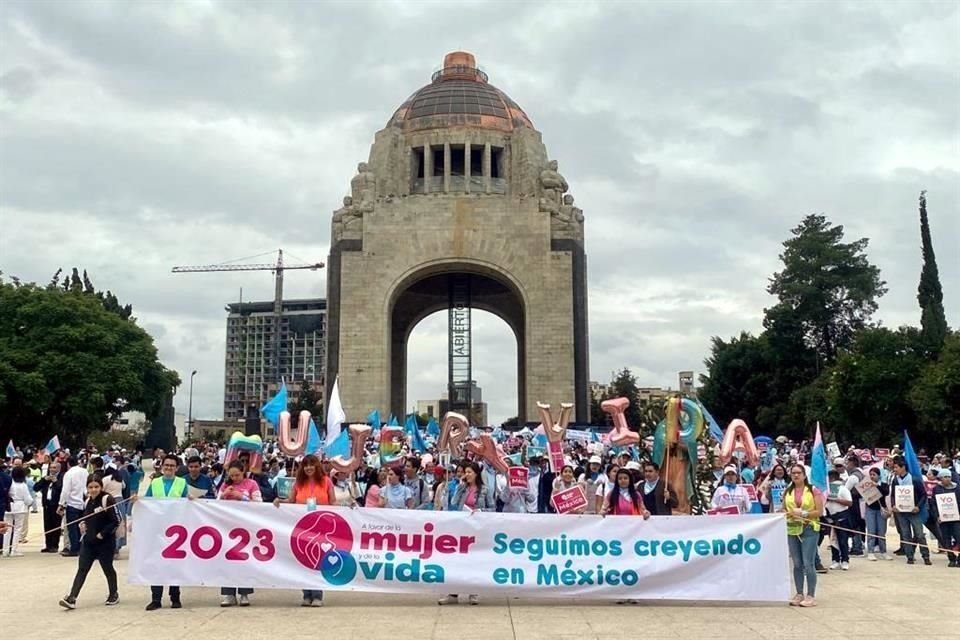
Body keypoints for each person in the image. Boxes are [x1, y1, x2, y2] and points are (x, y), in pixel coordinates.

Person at [58, 475, 121, 609]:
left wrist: (102, 534)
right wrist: (83, 523)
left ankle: (113, 593)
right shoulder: (87, 501)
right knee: (82, 569)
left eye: (96, 487)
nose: (93, 490)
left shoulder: (107, 499)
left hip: (105, 542)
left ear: (101, 487)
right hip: (88, 542)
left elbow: (116, 520)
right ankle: (72, 598)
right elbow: (87, 518)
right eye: (90, 487)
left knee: (107, 568)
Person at [136, 454, 188, 610]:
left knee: (174, 565)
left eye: (172, 466)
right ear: (162, 466)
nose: (169, 468)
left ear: (176, 468)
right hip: (157, 529)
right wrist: (137, 502)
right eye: (166, 465)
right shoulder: (155, 483)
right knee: (155, 564)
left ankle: (175, 597)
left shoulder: (182, 483)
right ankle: (156, 598)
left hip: (175, 530)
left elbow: (187, 503)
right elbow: (147, 502)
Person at [439, 461, 489, 606]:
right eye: (465, 472)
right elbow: (454, 502)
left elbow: (491, 507)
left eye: (469, 472)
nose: (466, 475)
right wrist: (460, 488)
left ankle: (474, 592)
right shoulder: (462, 487)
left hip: (477, 529)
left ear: (476, 474)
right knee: (457, 560)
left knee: (474, 561)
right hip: (462, 528)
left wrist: (481, 512)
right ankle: (453, 592)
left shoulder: (484, 489)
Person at [218, 460, 262, 606]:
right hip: (228, 527)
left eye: (237, 475)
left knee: (245, 559)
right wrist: (224, 495)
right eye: (232, 475)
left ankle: (244, 593)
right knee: (227, 559)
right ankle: (228, 593)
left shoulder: (252, 484)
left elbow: (259, 504)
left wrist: (241, 496)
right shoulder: (225, 485)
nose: (235, 478)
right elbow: (215, 505)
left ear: (243, 472)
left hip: (245, 527)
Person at [784, 463, 825, 607]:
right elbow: (784, 508)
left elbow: (819, 511)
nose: (795, 475)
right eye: (793, 473)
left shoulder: (813, 490)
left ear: (804, 475)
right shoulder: (787, 491)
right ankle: (799, 592)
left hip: (809, 528)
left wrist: (804, 513)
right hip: (792, 529)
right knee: (797, 563)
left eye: (798, 473)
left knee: (808, 563)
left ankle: (811, 595)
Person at [891, 456, 931, 566]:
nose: (895, 470)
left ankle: (925, 556)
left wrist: (918, 506)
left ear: (903, 467)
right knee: (905, 535)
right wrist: (894, 505)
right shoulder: (895, 480)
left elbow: (923, 495)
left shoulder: (914, 479)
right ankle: (909, 556)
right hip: (901, 512)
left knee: (919, 535)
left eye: (896, 467)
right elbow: (893, 495)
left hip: (914, 512)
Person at [58, 456, 88, 557]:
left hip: (72, 503)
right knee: (81, 527)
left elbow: (66, 490)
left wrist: (61, 504)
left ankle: (74, 549)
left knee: (72, 528)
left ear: (68, 464)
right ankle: (81, 547)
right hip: (83, 502)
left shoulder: (69, 473)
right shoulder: (85, 471)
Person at [2, 466, 34, 556]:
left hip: (8, 507)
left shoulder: (9, 483)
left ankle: (5, 550)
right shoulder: (23, 485)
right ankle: (14, 550)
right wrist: (30, 503)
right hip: (20, 508)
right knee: (17, 529)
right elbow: (27, 499)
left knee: (7, 529)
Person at [824, 470, 853, 570]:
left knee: (843, 539)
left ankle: (845, 560)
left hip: (842, 516)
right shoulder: (826, 490)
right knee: (832, 539)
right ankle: (835, 560)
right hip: (830, 517)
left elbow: (849, 503)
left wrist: (835, 499)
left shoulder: (843, 489)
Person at [932, 468, 960, 568]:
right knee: (946, 539)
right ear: (940, 478)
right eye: (945, 477)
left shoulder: (957, 488)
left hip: (956, 518)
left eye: (949, 477)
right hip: (943, 519)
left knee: (958, 537)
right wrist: (937, 516)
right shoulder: (936, 489)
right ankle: (951, 558)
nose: (947, 479)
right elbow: (934, 504)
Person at [863, 467, 893, 561]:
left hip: (881, 509)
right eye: (870, 474)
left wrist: (876, 486)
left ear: (878, 476)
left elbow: (886, 492)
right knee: (871, 531)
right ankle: (871, 551)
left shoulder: (884, 485)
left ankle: (883, 551)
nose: (872, 476)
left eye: (874, 474)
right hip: (870, 509)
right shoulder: (867, 484)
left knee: (881, 531)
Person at [34, 461, 63, 553]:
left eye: (54, 468)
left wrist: (56, 482)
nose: (52, 469)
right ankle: (48, 544)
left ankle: (54, 545)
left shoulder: (61, 477)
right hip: (46, 505)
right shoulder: (46, 478)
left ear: (59, 468)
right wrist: (44, 480)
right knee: (47, 525)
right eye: (51, 467)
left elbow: (62, 489)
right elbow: (35, 488)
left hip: (56, 505)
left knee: (56, 524)